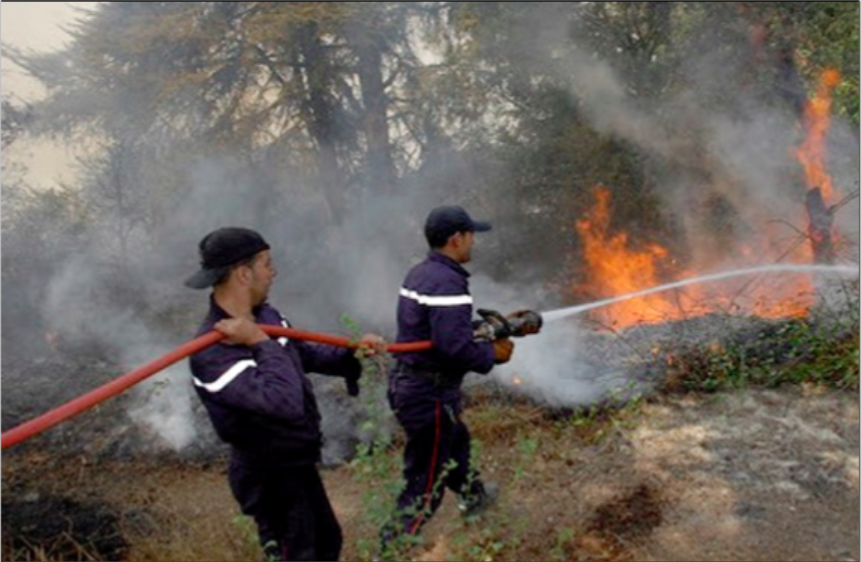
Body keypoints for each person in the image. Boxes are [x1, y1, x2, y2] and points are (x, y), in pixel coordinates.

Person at [185, 226, 385, 562]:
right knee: (298, 553)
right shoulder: (212, 353)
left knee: (326, 542)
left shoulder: (267, 316)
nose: (273, 273)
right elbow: (283, 402)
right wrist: (258, 342)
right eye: (267, 264)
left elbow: (301, 354)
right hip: (268, 474)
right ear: (244, 273)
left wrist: (352, 354)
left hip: (296, 460)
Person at [381, 206, 515, 551]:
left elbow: (440, 328)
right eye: (471, 236)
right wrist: (492, 354)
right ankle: (392, 548)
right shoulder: (448, 281)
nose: (473, 243)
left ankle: (475, 498)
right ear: (456, 239)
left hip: (413, 384)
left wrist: (488, 329)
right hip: (429, 395)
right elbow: (453, 347)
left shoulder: (422, 273)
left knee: (457, 446)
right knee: (426, 481)